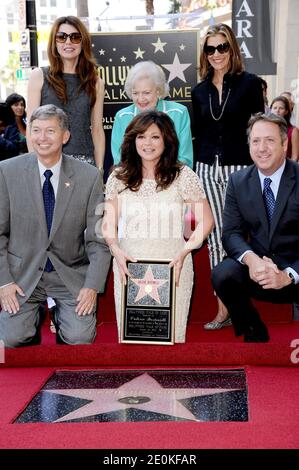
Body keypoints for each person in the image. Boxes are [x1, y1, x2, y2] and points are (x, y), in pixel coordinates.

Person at [0, 104, 111, 348]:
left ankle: (61, 316)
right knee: (11, 339)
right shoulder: (7, 172)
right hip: (23, 276)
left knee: (80, 339)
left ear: (65, 136)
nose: (42, 138)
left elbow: (98, 240)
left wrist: (92, 286)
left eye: (50, 131)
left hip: (68, 274)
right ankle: (36, 314)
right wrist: (4, 282)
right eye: (36, 130)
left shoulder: (89, 177)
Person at [103, 110, 214, 343]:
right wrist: (115, 249)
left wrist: (186, 251)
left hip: (174, 266)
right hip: (128, 268)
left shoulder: (183, 176)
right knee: (134, 343)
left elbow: (206, 221)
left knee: (171, 342)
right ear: (132, 140)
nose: (147, 143)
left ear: (167, 140)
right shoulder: (118, 177)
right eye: (141, 136)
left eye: (155, 137)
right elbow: (108, 224)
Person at [191, 23, 264, 330]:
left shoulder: (249, 84)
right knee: (217, 239)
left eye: (222, 47)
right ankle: (225, 309)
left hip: (241, 170)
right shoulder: (198, 91)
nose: (217, 54)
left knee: (244, 235)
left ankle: (253, 298)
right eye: (211, 49)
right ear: (204, 54)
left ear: (232, 48)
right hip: (208, 169)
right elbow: (197, 135)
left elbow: (258, 132)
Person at [212, 112, 299, 343]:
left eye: (269, 140)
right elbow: (231, 234)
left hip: (295, 271)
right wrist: (252, 260)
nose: (262, 148)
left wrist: (288, 275)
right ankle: (253, 330)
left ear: (284, 143)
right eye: (256, 141)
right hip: (260, 269)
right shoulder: (238, 181)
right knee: (223, 274)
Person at [26, 16, 105, 169]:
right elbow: (31, 126)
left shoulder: (95, 82)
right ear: (54, 43)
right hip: (48, 161)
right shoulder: (39, 76)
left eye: (75, 37)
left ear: (83, 42)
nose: (68, 42)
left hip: (84, 162)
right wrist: (36, 165)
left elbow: (97, 129)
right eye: (62, 37)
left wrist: (99, 169)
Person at [111, 61, 193, 169]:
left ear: (158, 91)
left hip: (172, 178)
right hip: (134, 179)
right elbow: (120, 160)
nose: (140, 99)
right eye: (135, 93)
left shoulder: (179, 113)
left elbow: (184, 159)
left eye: (146, 93)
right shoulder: (122, 117)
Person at [270, 95, 299, 161]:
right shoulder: (266, 129)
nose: (277, 110)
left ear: (286, 111)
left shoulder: (293, 131)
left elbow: (295, 157)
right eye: (275, 108)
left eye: (281, 108)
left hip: (287, 169)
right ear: (271, 110)